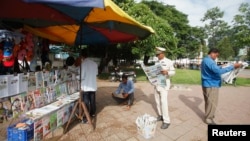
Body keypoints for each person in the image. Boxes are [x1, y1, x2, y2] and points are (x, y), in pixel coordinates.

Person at [201, 48, 242, 125]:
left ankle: (208, 115)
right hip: (212, 85)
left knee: (208, 102)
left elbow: (213, 69)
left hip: (206, 83)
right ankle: (209, 119)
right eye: (216, 55)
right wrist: (232, 66)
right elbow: (218, 71)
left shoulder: (205, 60)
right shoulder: (210, 61)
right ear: (213, 53)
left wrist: (220, 66)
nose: (216, 57)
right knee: (212, 102)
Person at [154, 47, 175, 129]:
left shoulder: (169, 61)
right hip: (156, 84)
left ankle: (167, 121)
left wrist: (167, 72)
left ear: (163, 53)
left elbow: (173, 72)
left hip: (164, 84)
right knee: (157, 101)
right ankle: (161, 115)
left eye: (158, 54)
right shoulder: (156, 62)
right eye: (156, 54)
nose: (157, 56)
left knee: (163, 102)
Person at [79, 49, 98, 123]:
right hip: (93, 86)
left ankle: (86, 118)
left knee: (86, 102)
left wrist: (78, 77)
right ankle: (92, 113)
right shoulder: (94, 64)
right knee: (92, 101)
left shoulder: (83, 64)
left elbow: (82, 76)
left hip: (86, 87)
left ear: (82, 56)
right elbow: (96, 73)